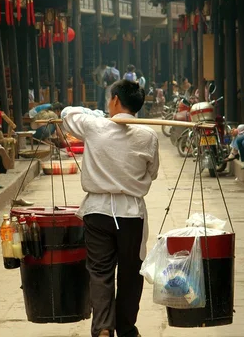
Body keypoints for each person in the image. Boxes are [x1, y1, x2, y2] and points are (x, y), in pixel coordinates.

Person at [61, 80, 159, 337]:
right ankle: (126, 329)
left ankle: (103, 327)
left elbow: (67, 114)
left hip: (97, 211)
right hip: (131, 215)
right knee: (130, 274)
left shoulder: (94, 126)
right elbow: (153, 172)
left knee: (100, 272)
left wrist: (93, 115)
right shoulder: (148, 135)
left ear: (115, 100)